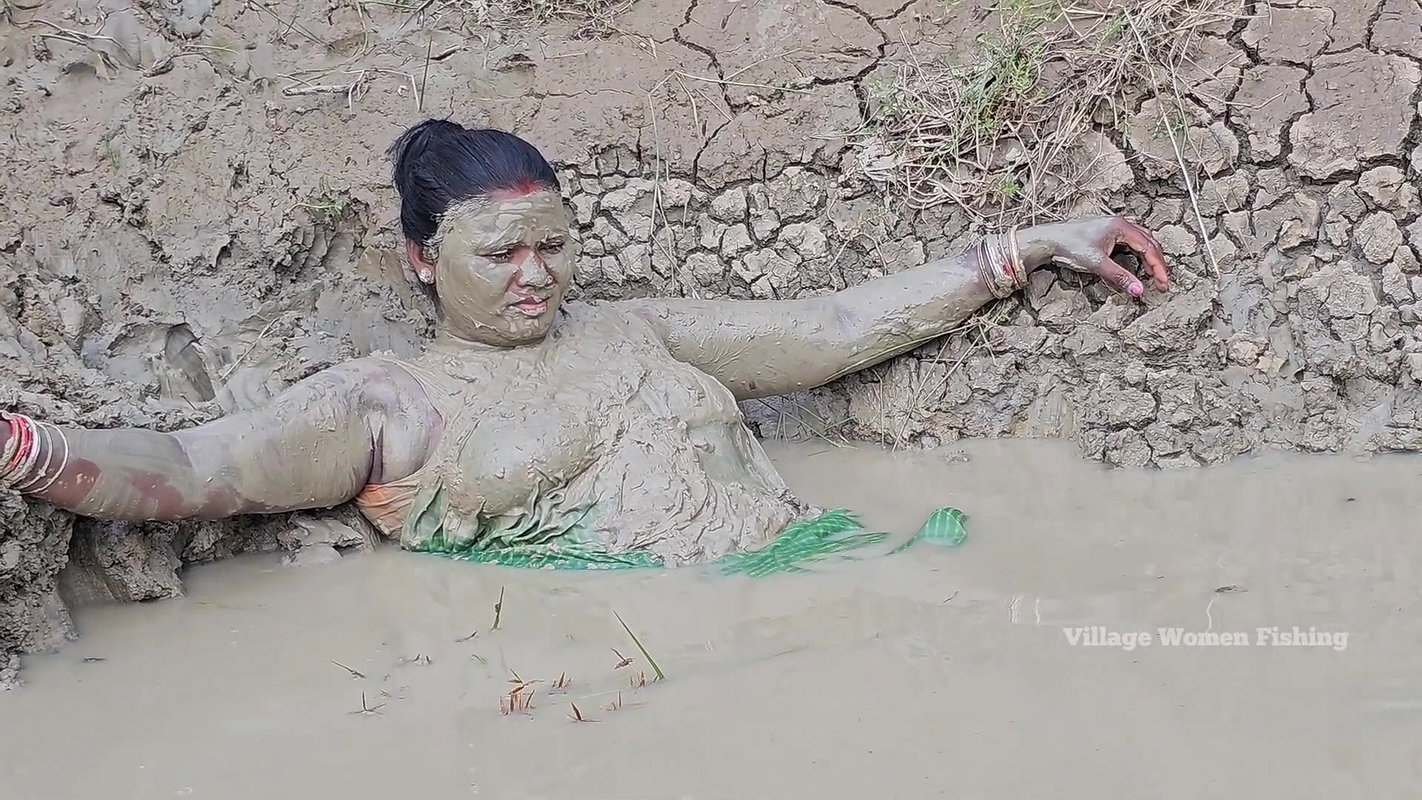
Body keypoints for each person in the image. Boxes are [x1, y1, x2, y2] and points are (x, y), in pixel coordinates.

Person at [0, 118, 1170, 571]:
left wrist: (1025, 248)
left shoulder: (633, 327)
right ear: (420, 257)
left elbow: (831, 329)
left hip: (835, 563)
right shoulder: (383, 404)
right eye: (500, 252)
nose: (538, 274)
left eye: (555, 244)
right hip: (645, 667)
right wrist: (25, 447)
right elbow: (197, 466)